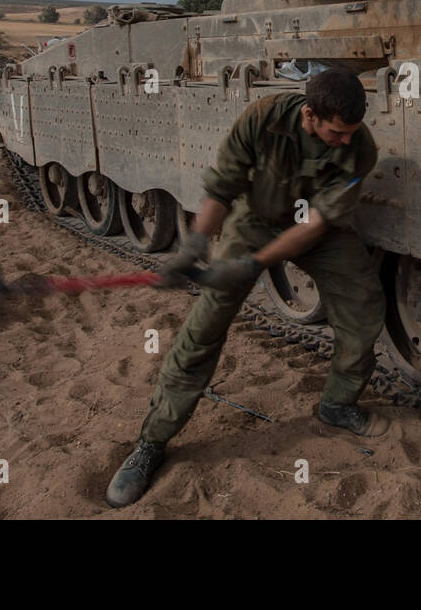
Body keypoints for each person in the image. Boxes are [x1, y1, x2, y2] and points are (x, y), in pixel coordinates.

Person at [106, 68, 386, 508]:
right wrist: (194, 246)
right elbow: (224, 185)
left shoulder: (360, 148)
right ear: (310, 114)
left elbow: (316, 224)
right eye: (337, 131)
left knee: (363, 305)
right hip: (255, 219)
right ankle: (151, 442)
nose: (346, 140)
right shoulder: (263, 117)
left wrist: (251, 266)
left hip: (316, 230)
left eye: (351, 132)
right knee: (206, 324)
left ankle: (338, 403)